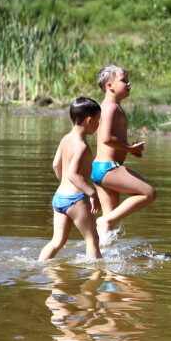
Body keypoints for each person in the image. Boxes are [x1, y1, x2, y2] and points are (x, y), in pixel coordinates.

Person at [92, 66, 157, 240]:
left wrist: (129, 148)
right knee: (149, 193)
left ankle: (101, 260)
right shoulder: (110, 108)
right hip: (109, 168)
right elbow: (106, 138)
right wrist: (129, 149)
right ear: (110, 86)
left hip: (101, 168)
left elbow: (111, 139)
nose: (129, 84)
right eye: (124, 80)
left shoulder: (112, 107)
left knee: (109, 227)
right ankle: (104, 222)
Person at [39, 97, 102, 261]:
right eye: (98, 120)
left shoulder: (65, 138)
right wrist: (92, 193)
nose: (99, 124)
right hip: (76, 199)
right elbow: (73, 175)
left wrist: (64, 185)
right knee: (92, 239)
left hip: (59, 197)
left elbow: (55, 165)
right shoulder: (81, 146)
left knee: (57, 241)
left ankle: (39, 267)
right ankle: (95, 278)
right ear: (89, 120)